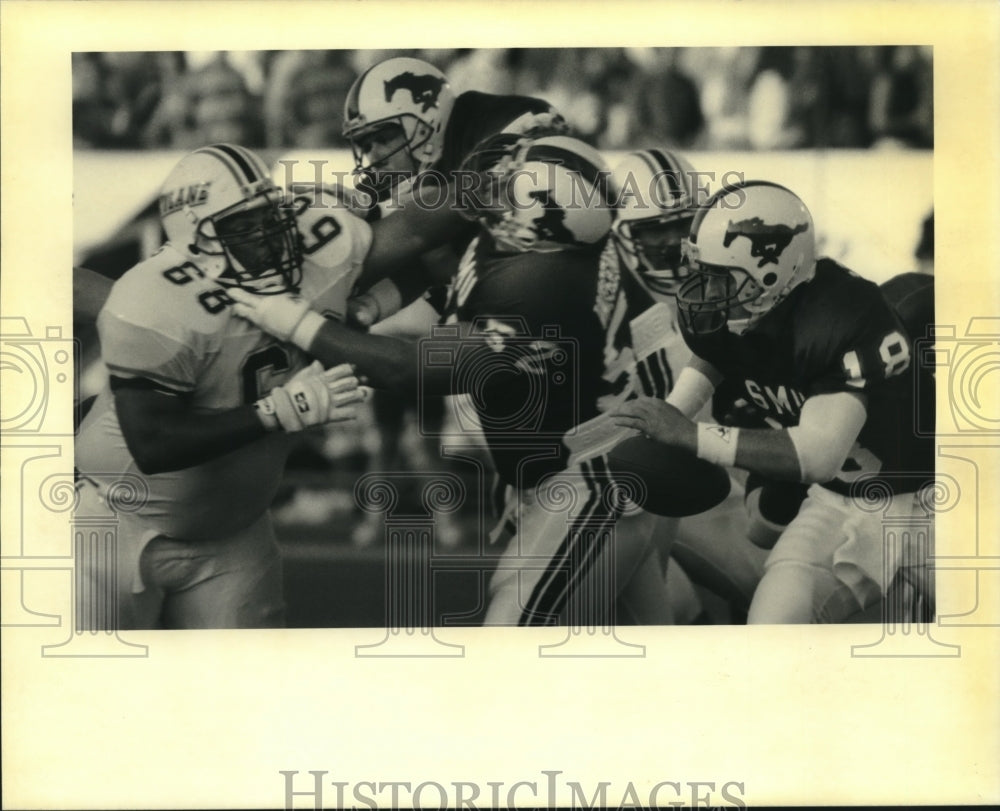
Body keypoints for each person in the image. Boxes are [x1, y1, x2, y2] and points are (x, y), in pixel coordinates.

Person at [230, 134, 666, 626]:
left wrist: (295, 321)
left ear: (538, 220)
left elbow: (411, 367)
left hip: (587, 487)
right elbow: (448, 268)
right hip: (589, 476)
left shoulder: (543, 293)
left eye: (509, 191)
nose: (492, 194)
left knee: (511, 645)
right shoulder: (543, 253)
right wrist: (370, 305)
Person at [74, 142, 463, 629]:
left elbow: (420, 233)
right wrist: (275, 412)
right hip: (115, 525)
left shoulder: (318, 251)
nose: (269, 236)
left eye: (267, 216)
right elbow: (152, 443)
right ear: (197, 239)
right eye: (244, 226)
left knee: (248, 692)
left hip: (236, 533)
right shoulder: (155, 301)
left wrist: (512, 177)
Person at [613, 180, 935, 623]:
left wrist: (690, 435)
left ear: (771, 271)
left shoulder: (841, 315)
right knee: (771, 625)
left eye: (720, 277)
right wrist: (674, 412)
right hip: (843, 502)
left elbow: (819, 454)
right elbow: (715, 354)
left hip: (944, 500)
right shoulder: (749, 305)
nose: (705, 291)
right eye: (703, 273)